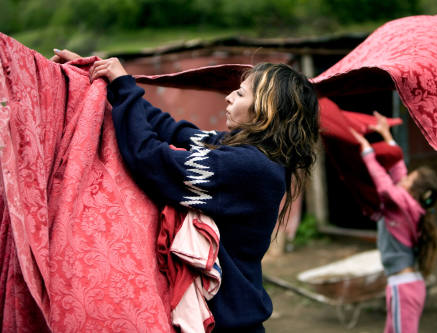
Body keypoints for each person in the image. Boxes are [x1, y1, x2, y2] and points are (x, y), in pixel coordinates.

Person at [52, 49, 319, 332]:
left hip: (227, 324)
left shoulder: (249, 167)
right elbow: (171, 130)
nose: (229, 97)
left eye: (240, 94)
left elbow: (148, 159)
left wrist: (123, 87)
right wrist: (109, 80)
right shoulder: (243, 151)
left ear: (266, 111)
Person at [350, 112, 437, 333]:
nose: (404, 177)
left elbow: (385, 187)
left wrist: (368, 152)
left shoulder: (404, 205)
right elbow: (399, 171)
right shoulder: (409, 206)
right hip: (400, 285)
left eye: (410, 179)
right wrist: (387, 136)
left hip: (404, 288)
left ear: (415, 190)